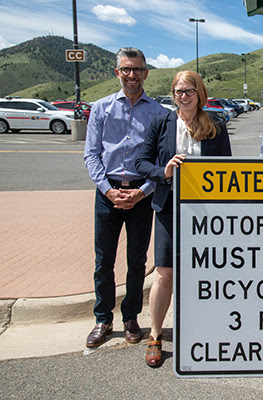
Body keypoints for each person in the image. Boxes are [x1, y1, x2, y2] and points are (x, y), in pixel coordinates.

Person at [136, 70, 232, 367]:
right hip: (168, 207)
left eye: (189, 90)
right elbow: (141, 162)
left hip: (205, 212)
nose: (184, 96)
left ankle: (202, 330)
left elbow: (228, 171)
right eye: (179, 91)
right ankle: (155, 335)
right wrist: (163, 171)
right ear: (173, 94)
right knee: (164, 274)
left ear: (199, 93)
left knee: (204, 273)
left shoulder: (216, 125)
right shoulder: (161, 123)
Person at [84, 47, 168, 348]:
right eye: (126, 69)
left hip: (141, 197)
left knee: (137, 261)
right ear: (117, 72)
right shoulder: (101, 108)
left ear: (145, 73)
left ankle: (131, 317)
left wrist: (141, 192)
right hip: (107, 193)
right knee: (103, 260)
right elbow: (91, 155)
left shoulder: (159, 114)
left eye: (137, 69)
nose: (132, 75)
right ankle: (102, 318)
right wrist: (108, 190)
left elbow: (160, 161)